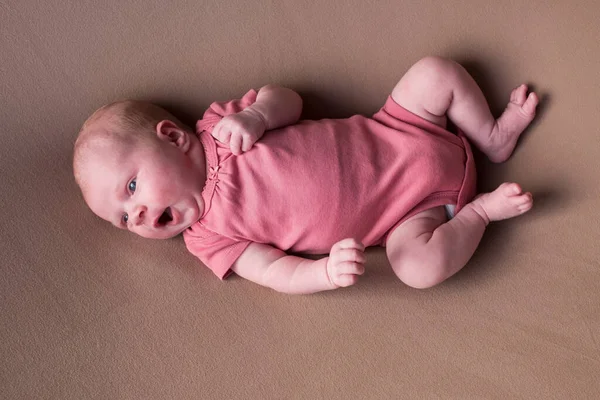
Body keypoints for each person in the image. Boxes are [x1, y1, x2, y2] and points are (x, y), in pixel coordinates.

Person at [73, 56, 538, 294]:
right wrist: (322, 274)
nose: (135, 214)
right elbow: (273, 271)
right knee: (417, 269)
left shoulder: (219, 125)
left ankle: (492, 135)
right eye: (123, 219)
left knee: (433, 72)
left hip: (401, 126)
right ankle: (479, 213)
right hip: (413, 216)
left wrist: (257, 115)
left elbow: (288, 99)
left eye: (131, 188)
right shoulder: (207, 237)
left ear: (173, 138)